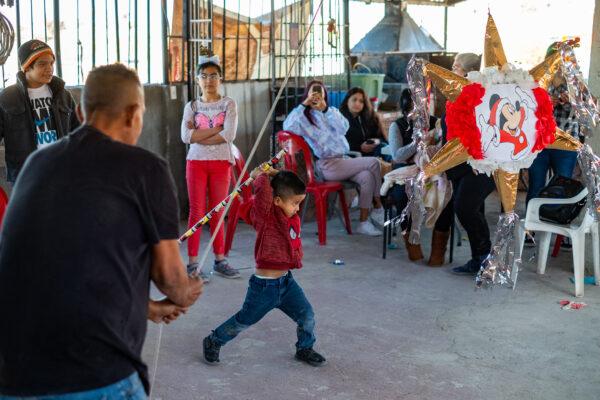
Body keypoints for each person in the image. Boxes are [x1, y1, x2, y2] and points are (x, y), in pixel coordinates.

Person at [0, 63, 203, 399]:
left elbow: (52, 263)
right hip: (92, 378)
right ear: (134, 114)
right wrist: (189, 290)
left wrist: (143, 306)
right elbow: (170, 279)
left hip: (11, 375)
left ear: (80, 112)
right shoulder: (146, 168)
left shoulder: (37, 163)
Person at [202, 168, 326, 367]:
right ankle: (213, 340)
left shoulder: (290, 218)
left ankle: (305, 348)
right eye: (294, 203)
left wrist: (274, 173)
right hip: (264, 288)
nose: (297, 208)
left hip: (287, 283)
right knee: (244, 320)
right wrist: (259, 176)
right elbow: (263, 196)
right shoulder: (266, 216)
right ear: (276, 201)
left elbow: (282, 185)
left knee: (307, 315)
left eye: (299, 203)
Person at [283, 80, 385, 236]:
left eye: (320, 93)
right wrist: (305, 104)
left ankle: (363, 222)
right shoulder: (303, 117)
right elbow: (288, 126)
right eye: (313, 93)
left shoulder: (331, 112)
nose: (316, 96)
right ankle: (378, 206)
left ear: (324, 95)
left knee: (367, 177)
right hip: (328, 165)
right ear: (307, 95)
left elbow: (344, 128)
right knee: (373, 162)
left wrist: (325, 110)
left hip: (343, 160)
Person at [181, 56, 240, 281]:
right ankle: (193, 263)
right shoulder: (192, 106)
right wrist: (216, 131)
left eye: (213, 75)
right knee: (196, 212)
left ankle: (220, 259)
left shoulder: (228, 104)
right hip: (195, 163)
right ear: (197, 80)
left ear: (220, 79)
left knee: (217, 211)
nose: (209, 80)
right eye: (204, 76)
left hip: (221, 163)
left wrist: (199, 135)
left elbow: (230, 135)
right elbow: (186, 137)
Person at [441, 53, 497, 275]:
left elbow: (487, 129)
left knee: (464, 208)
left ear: (468, 71)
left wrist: (478, 157)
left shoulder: (481, 95)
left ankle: (486, 257)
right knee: (475, 209)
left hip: (478, 164)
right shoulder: (455, 93)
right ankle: (479, 259)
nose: (451, 71)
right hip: (459, 165)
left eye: (456, 67)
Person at [524, 43, 581, 249]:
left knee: (563, 187)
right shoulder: (539, 82)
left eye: (564, 58)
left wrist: (572, 100)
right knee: (536, 185)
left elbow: (585, 113)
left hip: (565, 143)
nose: (560, 63)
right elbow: (525, 110)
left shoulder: (576, 82)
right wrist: (546, 103)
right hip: (540, 142)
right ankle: (529, 231)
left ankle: (560, 234)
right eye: (556, 59)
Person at [0, 39, 79, 184]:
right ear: (27, 67)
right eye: (42, 64)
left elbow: (78, 132)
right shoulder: (7, 97)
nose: (49, 68)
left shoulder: (63, 95)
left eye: (51, 63)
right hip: (25, 175)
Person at [387, 88, 443, 263]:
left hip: (432, 171)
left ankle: (438, 251)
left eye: (424, 104)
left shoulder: (436, 123)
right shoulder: (398, 126)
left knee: (445, 197)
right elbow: (397, 155)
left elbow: (443, 149)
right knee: (402, 197)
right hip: (406, 172)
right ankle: (412, 243)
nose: (421, 109)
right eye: (415, 105)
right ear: (406, 107)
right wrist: (418, 142)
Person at [340, 87, 388, 159]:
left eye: (361, 101)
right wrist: (360, 147)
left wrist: (376, 141)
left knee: (384, 147)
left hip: (373, 154)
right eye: (354, 100)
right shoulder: (339, 119)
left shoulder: (371, 117)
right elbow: (338, 144)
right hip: (351, 157)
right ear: (347, 101)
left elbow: (383, 139)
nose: (357, 103)